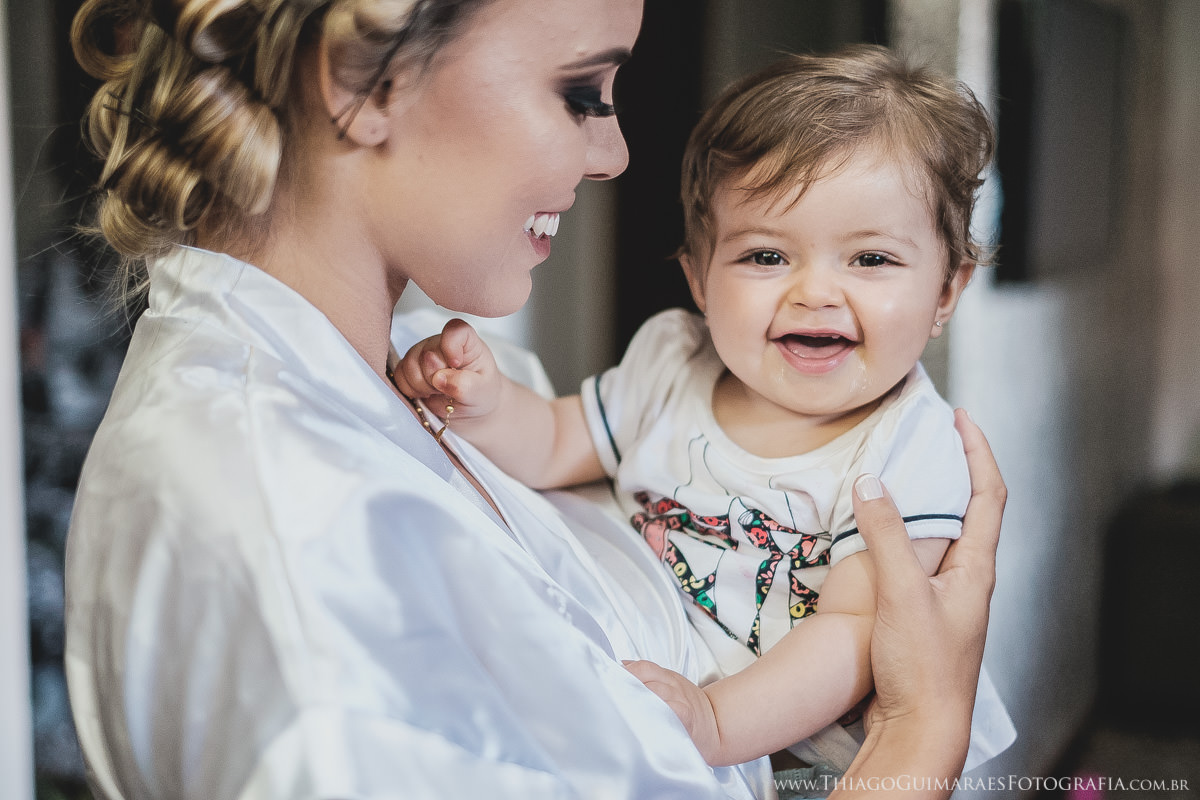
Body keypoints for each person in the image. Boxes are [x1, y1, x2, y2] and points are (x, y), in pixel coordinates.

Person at [62, 0, 1007, 797]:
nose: (617, 154)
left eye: (873, 257)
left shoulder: (393, 365)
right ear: (362, 80)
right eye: (582, 92)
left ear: (945, 290)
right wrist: (919, 738)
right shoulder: (293, 555)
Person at [395, 45, 1013, 773]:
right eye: (766, 257)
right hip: (672, 707)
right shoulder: (672, 364)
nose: (814, 292)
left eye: (870, 259)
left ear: (946, 291)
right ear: (699, 278)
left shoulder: (912, 449)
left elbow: (858, 632)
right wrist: (484, 405)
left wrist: (716, 720)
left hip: (816, 763)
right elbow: (561, 440)